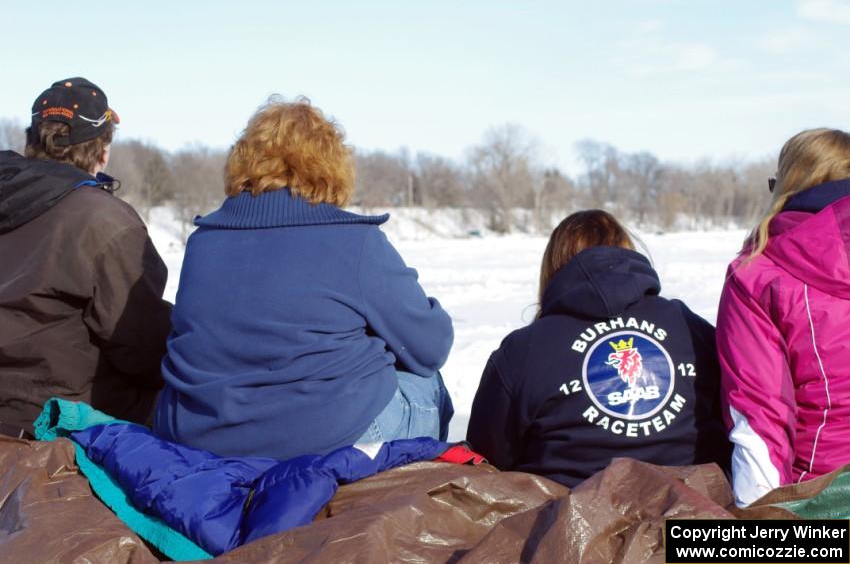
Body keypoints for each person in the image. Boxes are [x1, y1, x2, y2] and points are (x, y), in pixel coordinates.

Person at [155, 97, 454, 460]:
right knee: (427, 385)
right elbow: (430, 346)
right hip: (321, 441)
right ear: (331, 165)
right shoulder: (354, 242)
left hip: (201, 436)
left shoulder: (203, 241)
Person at [466, 210, 729, 488]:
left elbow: (488, 460)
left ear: (553, 268)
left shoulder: (523, 350)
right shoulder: (688, 325)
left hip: (566, 525)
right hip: (696, 519)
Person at [0, 77, 172, 437]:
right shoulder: (102, 220)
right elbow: (143, 349)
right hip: (54, 421)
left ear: (33, 141)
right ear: (102, 150)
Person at [717, 128, 850, 506]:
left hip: (824, 498)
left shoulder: (760, 273)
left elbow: (759, 413)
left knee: (691, 545)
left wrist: (762, 529)